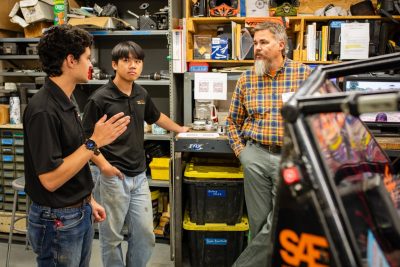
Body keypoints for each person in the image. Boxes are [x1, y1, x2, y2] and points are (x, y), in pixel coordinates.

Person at [23, 24, 131, 266]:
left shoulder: (67, 99)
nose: (91, 64)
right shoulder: (43, 110)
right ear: (70, 60)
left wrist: (87, 201)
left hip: (75, 213)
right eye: (87, 58)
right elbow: (50, 180)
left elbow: (71, 154)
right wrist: (94, 142)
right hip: (57, 220)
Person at [82, 41, 189, 267]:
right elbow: (85, 140)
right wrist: (104, 166)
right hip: (111, 176)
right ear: (114, 64)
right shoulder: (99, 99)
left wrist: (180, 129)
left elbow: (155, 116)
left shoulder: (141, 92)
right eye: (126, 60)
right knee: (111, 238)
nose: (133, 66)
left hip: (139, 176)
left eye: (138, 61)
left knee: (145, 235)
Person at [226, 21, 312, 266]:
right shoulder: (246, 79)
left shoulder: (304, 75)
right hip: (256, 157)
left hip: (292, 158)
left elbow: (321, 117)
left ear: (281, 45)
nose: (257, 48)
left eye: (264, 42)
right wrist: (242, 153)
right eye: (255, 43)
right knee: (259, 223)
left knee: (282, 222)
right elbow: (232, 121)